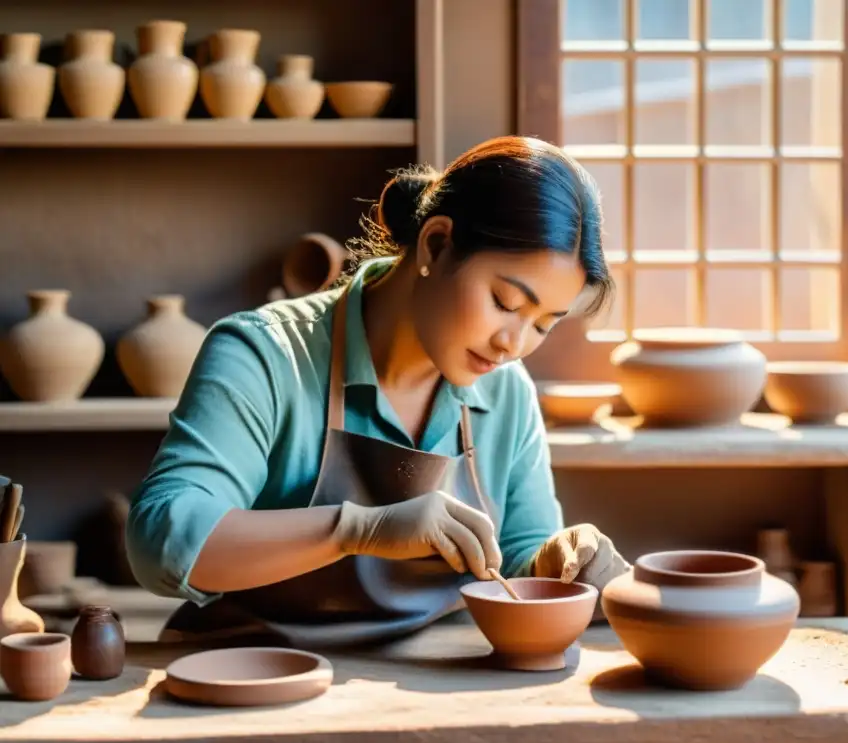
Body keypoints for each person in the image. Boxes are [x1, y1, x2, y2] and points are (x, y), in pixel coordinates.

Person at [126, 135, 631, 647]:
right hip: (252, 674)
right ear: (436, 243)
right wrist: (358, 530)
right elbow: (163, 544)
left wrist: (561, 560)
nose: (513, 344)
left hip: (429, 682)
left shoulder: (506, 395)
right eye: (504, 301)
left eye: (543, 324)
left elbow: (517, 560)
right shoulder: (265, 355)